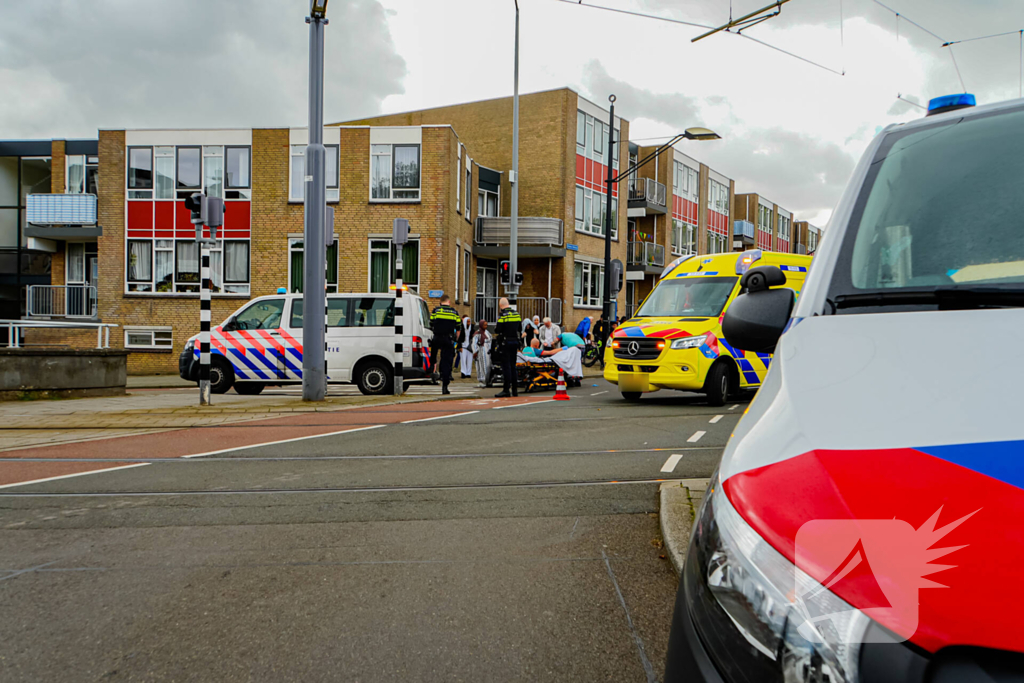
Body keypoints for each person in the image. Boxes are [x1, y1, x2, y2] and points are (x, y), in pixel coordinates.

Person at [429, 295, 461, 395]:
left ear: (440, 302)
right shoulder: (454, 313)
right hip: (448, 339)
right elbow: (458, 329)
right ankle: (445, 386)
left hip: (437, 337)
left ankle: (432, 370)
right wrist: (455, 340)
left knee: (433, 355)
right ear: (449, 302)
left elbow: (431, 324)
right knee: (447, 362)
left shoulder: (436, 311)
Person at [493, 298, 522, 398]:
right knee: (513, 366)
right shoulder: (517, 314)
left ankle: (506, 389)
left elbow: (498, 329)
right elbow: (520, 329)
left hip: (505, 343)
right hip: (514, 342)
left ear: (501, 305)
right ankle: (515, 390)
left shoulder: (502, 316)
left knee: (506, 366)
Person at [471, 319, 492, 388]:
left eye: (486, 325)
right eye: (484, 325)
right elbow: (474, 343)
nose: (486, 326)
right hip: (481, 351)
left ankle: (488, 380)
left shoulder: (488, 333)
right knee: (481, 366)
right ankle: (482, 380)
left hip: (487, 351)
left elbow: (490, 340)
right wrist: (475, 351)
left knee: (488, 366)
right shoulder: (478, 333)